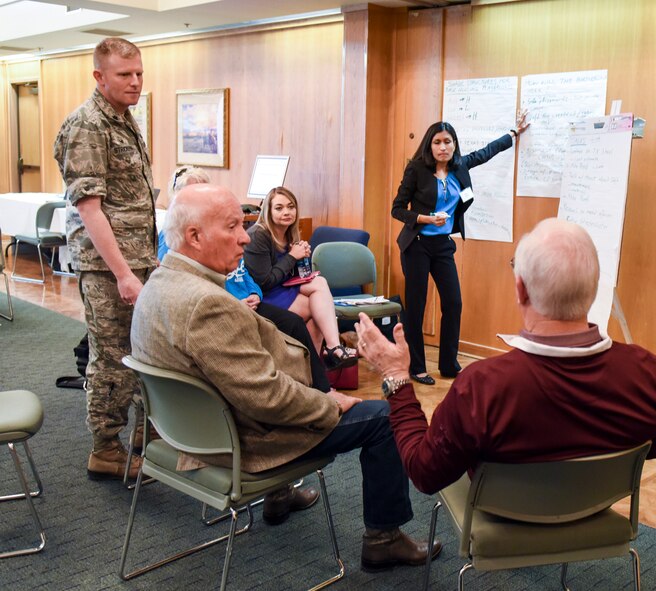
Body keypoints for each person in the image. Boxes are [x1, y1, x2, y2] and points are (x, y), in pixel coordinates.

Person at [131, 183, 441, 569]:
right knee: (383, 418)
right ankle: (384, 539)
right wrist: (326, 402)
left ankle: (279, 496)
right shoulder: (205, 303)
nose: (245, 238)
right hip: (245, 438)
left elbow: (240, 377)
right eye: (232, 227)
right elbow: (267, 398)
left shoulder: (157, 284)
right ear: (194, 236)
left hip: (193, 430)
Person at [355, 218, 656, 495]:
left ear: (520, 289)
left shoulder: (483, 388)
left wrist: (397, 377)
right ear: (594, 289)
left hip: (505, 517)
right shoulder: (649, 373)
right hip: (597, 509)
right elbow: (654, 449)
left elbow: (425, 473)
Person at [53, 37, 155, 481]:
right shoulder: (88, 125)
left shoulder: (123, 119)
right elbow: (89, 209)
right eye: (124, 75)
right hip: (109, 268)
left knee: (144, 351)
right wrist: (124, 275)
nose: (134, 82)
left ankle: (144, 436)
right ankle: (106, 449)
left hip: (139, 259)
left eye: (138, 74)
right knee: (112, 358)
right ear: (99, 76)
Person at [159, 166, 332, 395]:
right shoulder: (180, 248)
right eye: (233, 227)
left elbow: (245, 276)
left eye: (290, 207)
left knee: (312, 303)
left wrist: (255, 294)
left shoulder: (276, 236)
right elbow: (214, 286)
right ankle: (319, 384)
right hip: (235, 305)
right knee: (301, 317)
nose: (243, 237)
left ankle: (319, 380)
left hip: (250, 298)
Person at [392, 113, 529, 385]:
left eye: (448, 142)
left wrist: (513, 133)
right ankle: (417, 366)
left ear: (454, 145)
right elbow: (397, 208)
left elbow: (487, 152)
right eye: (437, 142)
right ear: (429, 146)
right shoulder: (416, 170)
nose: (443, 147)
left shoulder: (460, 167)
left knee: (453, 303)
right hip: (417, 244)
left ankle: (448, 364)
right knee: (417, 307)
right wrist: (425, 219)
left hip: (443, 246)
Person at [244, 187, 356, 369]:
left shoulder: (290, 233)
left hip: (283, 288)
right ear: (268, 211)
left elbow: (293, 276)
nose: (287, 212)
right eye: (279, 208)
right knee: (317, 309)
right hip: (263, 296)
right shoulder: (258, 235)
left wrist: (301, 259)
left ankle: (317, 368)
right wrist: (292, 257)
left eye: (291, 206)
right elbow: (265, 282)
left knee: (319, 294)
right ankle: (328, 355)